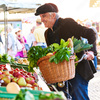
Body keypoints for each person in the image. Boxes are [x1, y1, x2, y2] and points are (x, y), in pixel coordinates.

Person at [35, 3, 97, 100]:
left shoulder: (67, 23)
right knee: (63, 96)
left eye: (44, 16)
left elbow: (90, 33)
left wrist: (91, 52)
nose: (42, 19)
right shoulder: (47, 33)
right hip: (62, 72)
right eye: (41, 17)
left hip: (78, 69)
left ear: (53, 15)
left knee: (79, 94)